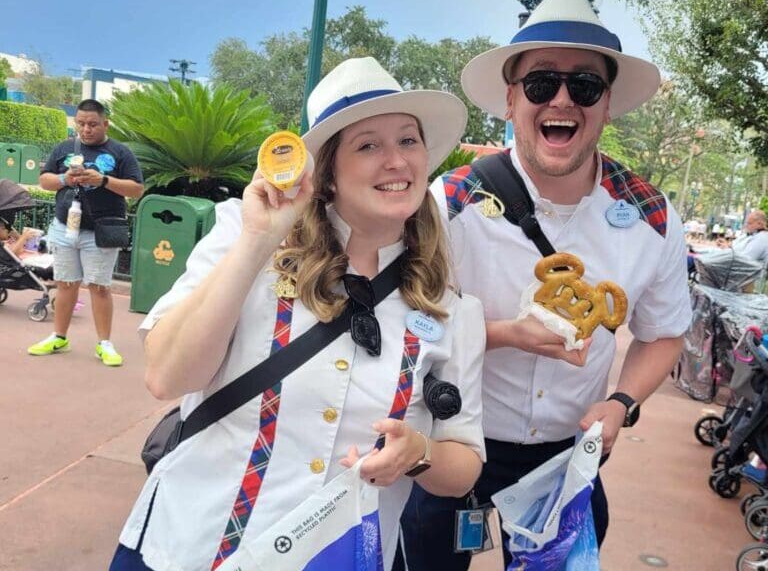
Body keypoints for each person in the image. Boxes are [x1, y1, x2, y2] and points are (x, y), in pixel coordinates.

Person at [108, 57, 486, 571]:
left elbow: (463, 462)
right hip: (193, 548)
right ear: (325, 174)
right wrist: (257, 241)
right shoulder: (242, 235)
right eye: (369, 145)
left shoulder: (450, 308)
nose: (397, 161)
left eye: (408, 140)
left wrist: (416, 453)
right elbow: (167, 375)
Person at [399, 0, 691, 570]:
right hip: (452, 443)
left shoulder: (652, 217)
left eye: (584, 86)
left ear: (607, 105)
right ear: (511, 100)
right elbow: (406, 322)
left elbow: (664, 332)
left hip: (567, 457)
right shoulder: (448, 204)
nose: (562, 99)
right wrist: (507, 333)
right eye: (540, 84)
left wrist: (621, 402)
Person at [28, 99, 144, 365]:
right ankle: (59, 336)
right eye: (81, 123)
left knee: (100, 287)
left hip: (100, 231)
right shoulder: (65, 148)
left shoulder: (120, 152)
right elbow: (44, 180)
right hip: (64, 228)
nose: (86, 129)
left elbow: (137, 189)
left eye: (92, 124)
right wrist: (64, 180)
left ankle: (104, 344)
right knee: (66, 283)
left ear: (105, 124)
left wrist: (102, 180)